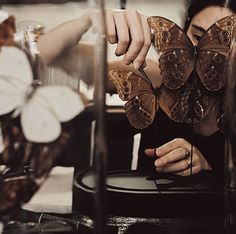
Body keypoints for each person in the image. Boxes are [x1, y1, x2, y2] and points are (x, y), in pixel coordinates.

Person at [36, 0, 236, 177]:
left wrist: (208, 169)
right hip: (145, 214)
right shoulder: (157, 78)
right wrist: (88, 19)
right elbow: (52, 55)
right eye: (198, 37)